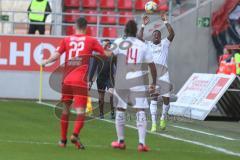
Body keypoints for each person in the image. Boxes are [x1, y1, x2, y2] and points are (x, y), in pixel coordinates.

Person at [42, 17, 111, 149]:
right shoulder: (91, 40)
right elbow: (105, 54)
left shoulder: (67, 39)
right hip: (80, 80)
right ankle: (75, 134)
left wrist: (45, 62)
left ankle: (62, 140)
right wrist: (110, 50)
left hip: (67, 79)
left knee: (65, 110)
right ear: (86, 27)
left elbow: (56, 55)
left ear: (75, 26)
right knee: (80, 112)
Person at [111, 20, 157, 152]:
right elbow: (152, 65)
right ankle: (141, 143)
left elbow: (110, 57)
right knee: (140, 110)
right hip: (137, 80)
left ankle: (120, 141)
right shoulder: (142, 44)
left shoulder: (119, 41)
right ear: (136, 30)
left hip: (122, 79)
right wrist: (153, 82)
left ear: (125, 30)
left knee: (120, 109)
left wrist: (115, 70)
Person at [138, 13, 175, 132]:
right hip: (153, 76)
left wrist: (165, 21)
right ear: (152, 37)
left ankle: (163, 117)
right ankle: (154, 124)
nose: (156, 36)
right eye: (154, 35)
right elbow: (139, 37)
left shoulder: (165, 43)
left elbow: (172, 34)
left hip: (164, 74)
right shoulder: (148, 45)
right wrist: (143, 25)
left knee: (166, 99)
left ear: (160, 36)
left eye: (158, 35)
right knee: (153, 98)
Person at [89, 39, 115, 119]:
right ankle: (101, 113)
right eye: (104, 44)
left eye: (107, 44)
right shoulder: (97, 55)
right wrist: (90, 80)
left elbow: (117, 66)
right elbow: (93, 68)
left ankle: (112, 112)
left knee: (112, 94)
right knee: (101, 97)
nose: (106, 46)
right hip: (100, 78)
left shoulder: (112, 55)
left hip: (109, 77)